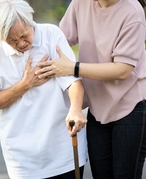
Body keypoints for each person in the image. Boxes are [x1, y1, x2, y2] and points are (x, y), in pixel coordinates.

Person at [36, 0, 146, 178]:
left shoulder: (133, 12)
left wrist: (74, 68)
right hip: (98, 109)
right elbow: (58, 40)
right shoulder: (81, 3)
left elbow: (122, 70)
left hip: (131, 107)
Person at [0, 0, 88, 178]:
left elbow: (73, 82)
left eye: (24, 35)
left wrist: (76, 109)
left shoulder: (51, 35)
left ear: (30, 17)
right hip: (22, 159)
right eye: (12, 41)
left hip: (63, 151)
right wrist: (25, 84)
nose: (21, 43)